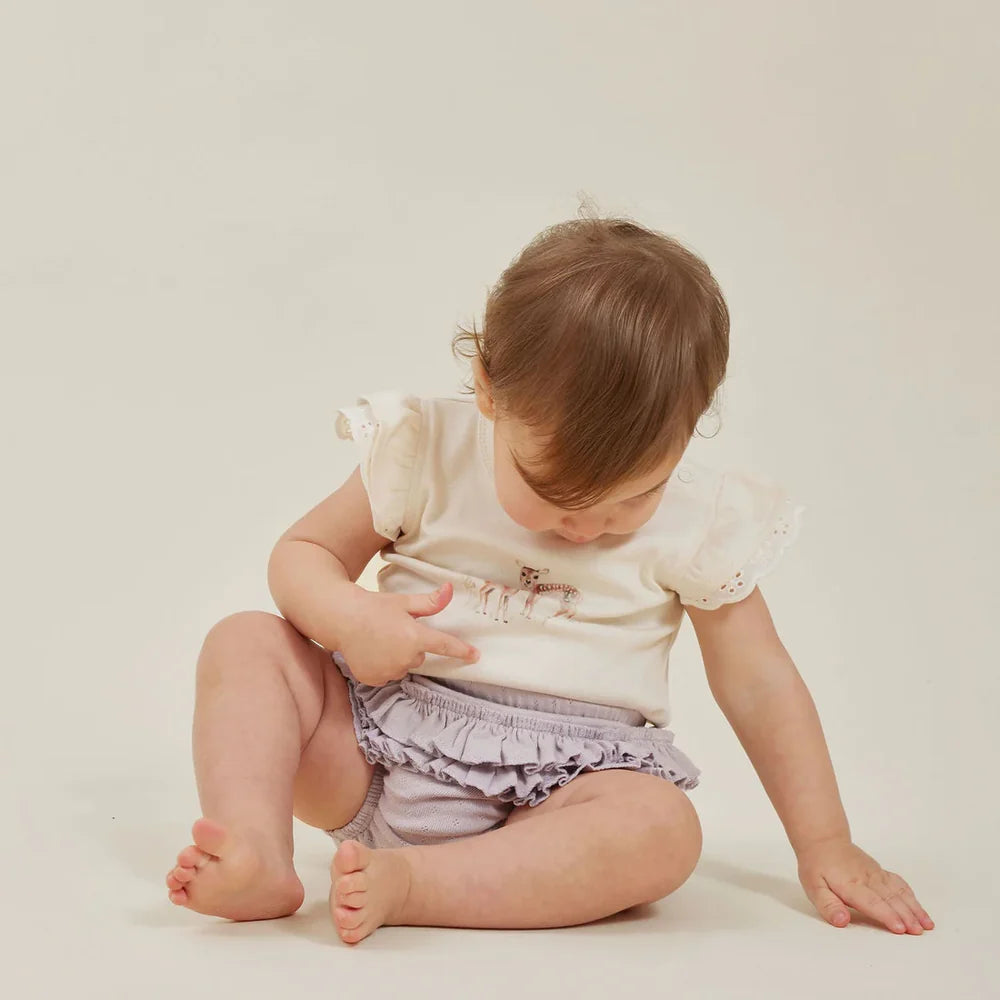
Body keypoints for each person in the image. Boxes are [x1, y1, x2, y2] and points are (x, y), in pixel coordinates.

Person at [165, 214, 934, 945]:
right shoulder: (428, 447)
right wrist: (348, 618)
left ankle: (420, 885)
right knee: (246, 644)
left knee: (661, 832)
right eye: (553, 490)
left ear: (691, 424)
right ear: (491, 390)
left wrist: (826, 841)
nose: (587, 527)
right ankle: (254, 852)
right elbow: (301, 554)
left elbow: (760, 682)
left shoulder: (700, 521)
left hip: (560, 796)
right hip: (374, 744)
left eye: (634, 494)